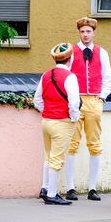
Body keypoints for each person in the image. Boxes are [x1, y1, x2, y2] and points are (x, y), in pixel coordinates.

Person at [63, 17, 111, 201]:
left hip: (94, 100)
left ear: (94, 33)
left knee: (94, 144)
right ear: (79, 32)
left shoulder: (102, 53)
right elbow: (65, 75)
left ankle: (92, 188)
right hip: (75, 100)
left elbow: (107, 78)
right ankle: (70, 187)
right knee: (72, 143)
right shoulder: (71, 52)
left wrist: (102, 97)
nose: (85, 35)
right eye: (82, 31)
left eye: (88, 31)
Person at [33, 43, 82, 205]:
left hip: (46, 121)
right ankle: (52, 194)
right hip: (62, 122)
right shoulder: (70, 77)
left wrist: (46, 111)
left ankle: (45, 188)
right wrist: (74, 118)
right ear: (70, 58)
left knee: (48, 156)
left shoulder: (46, 75)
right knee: (57, 159)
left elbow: (37, 100)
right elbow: (74, 103)